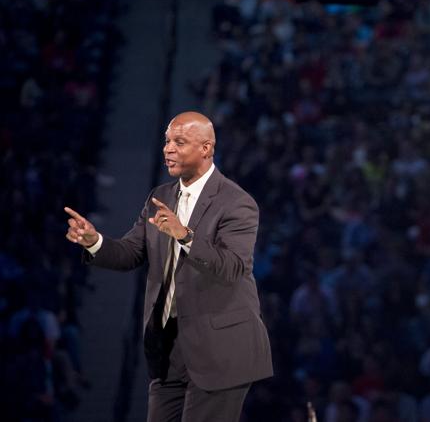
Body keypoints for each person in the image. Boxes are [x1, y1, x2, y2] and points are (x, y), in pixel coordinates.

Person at [63, 111, 273, 421]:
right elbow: (131, 253)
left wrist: (185, 236)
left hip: (221, 350)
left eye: (179, 142)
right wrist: (94, 241)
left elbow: (233, 267)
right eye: (166, 142)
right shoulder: (159, 197)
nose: (168, 149)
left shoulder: (236, 202)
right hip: (168, 347)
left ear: (206, 148)